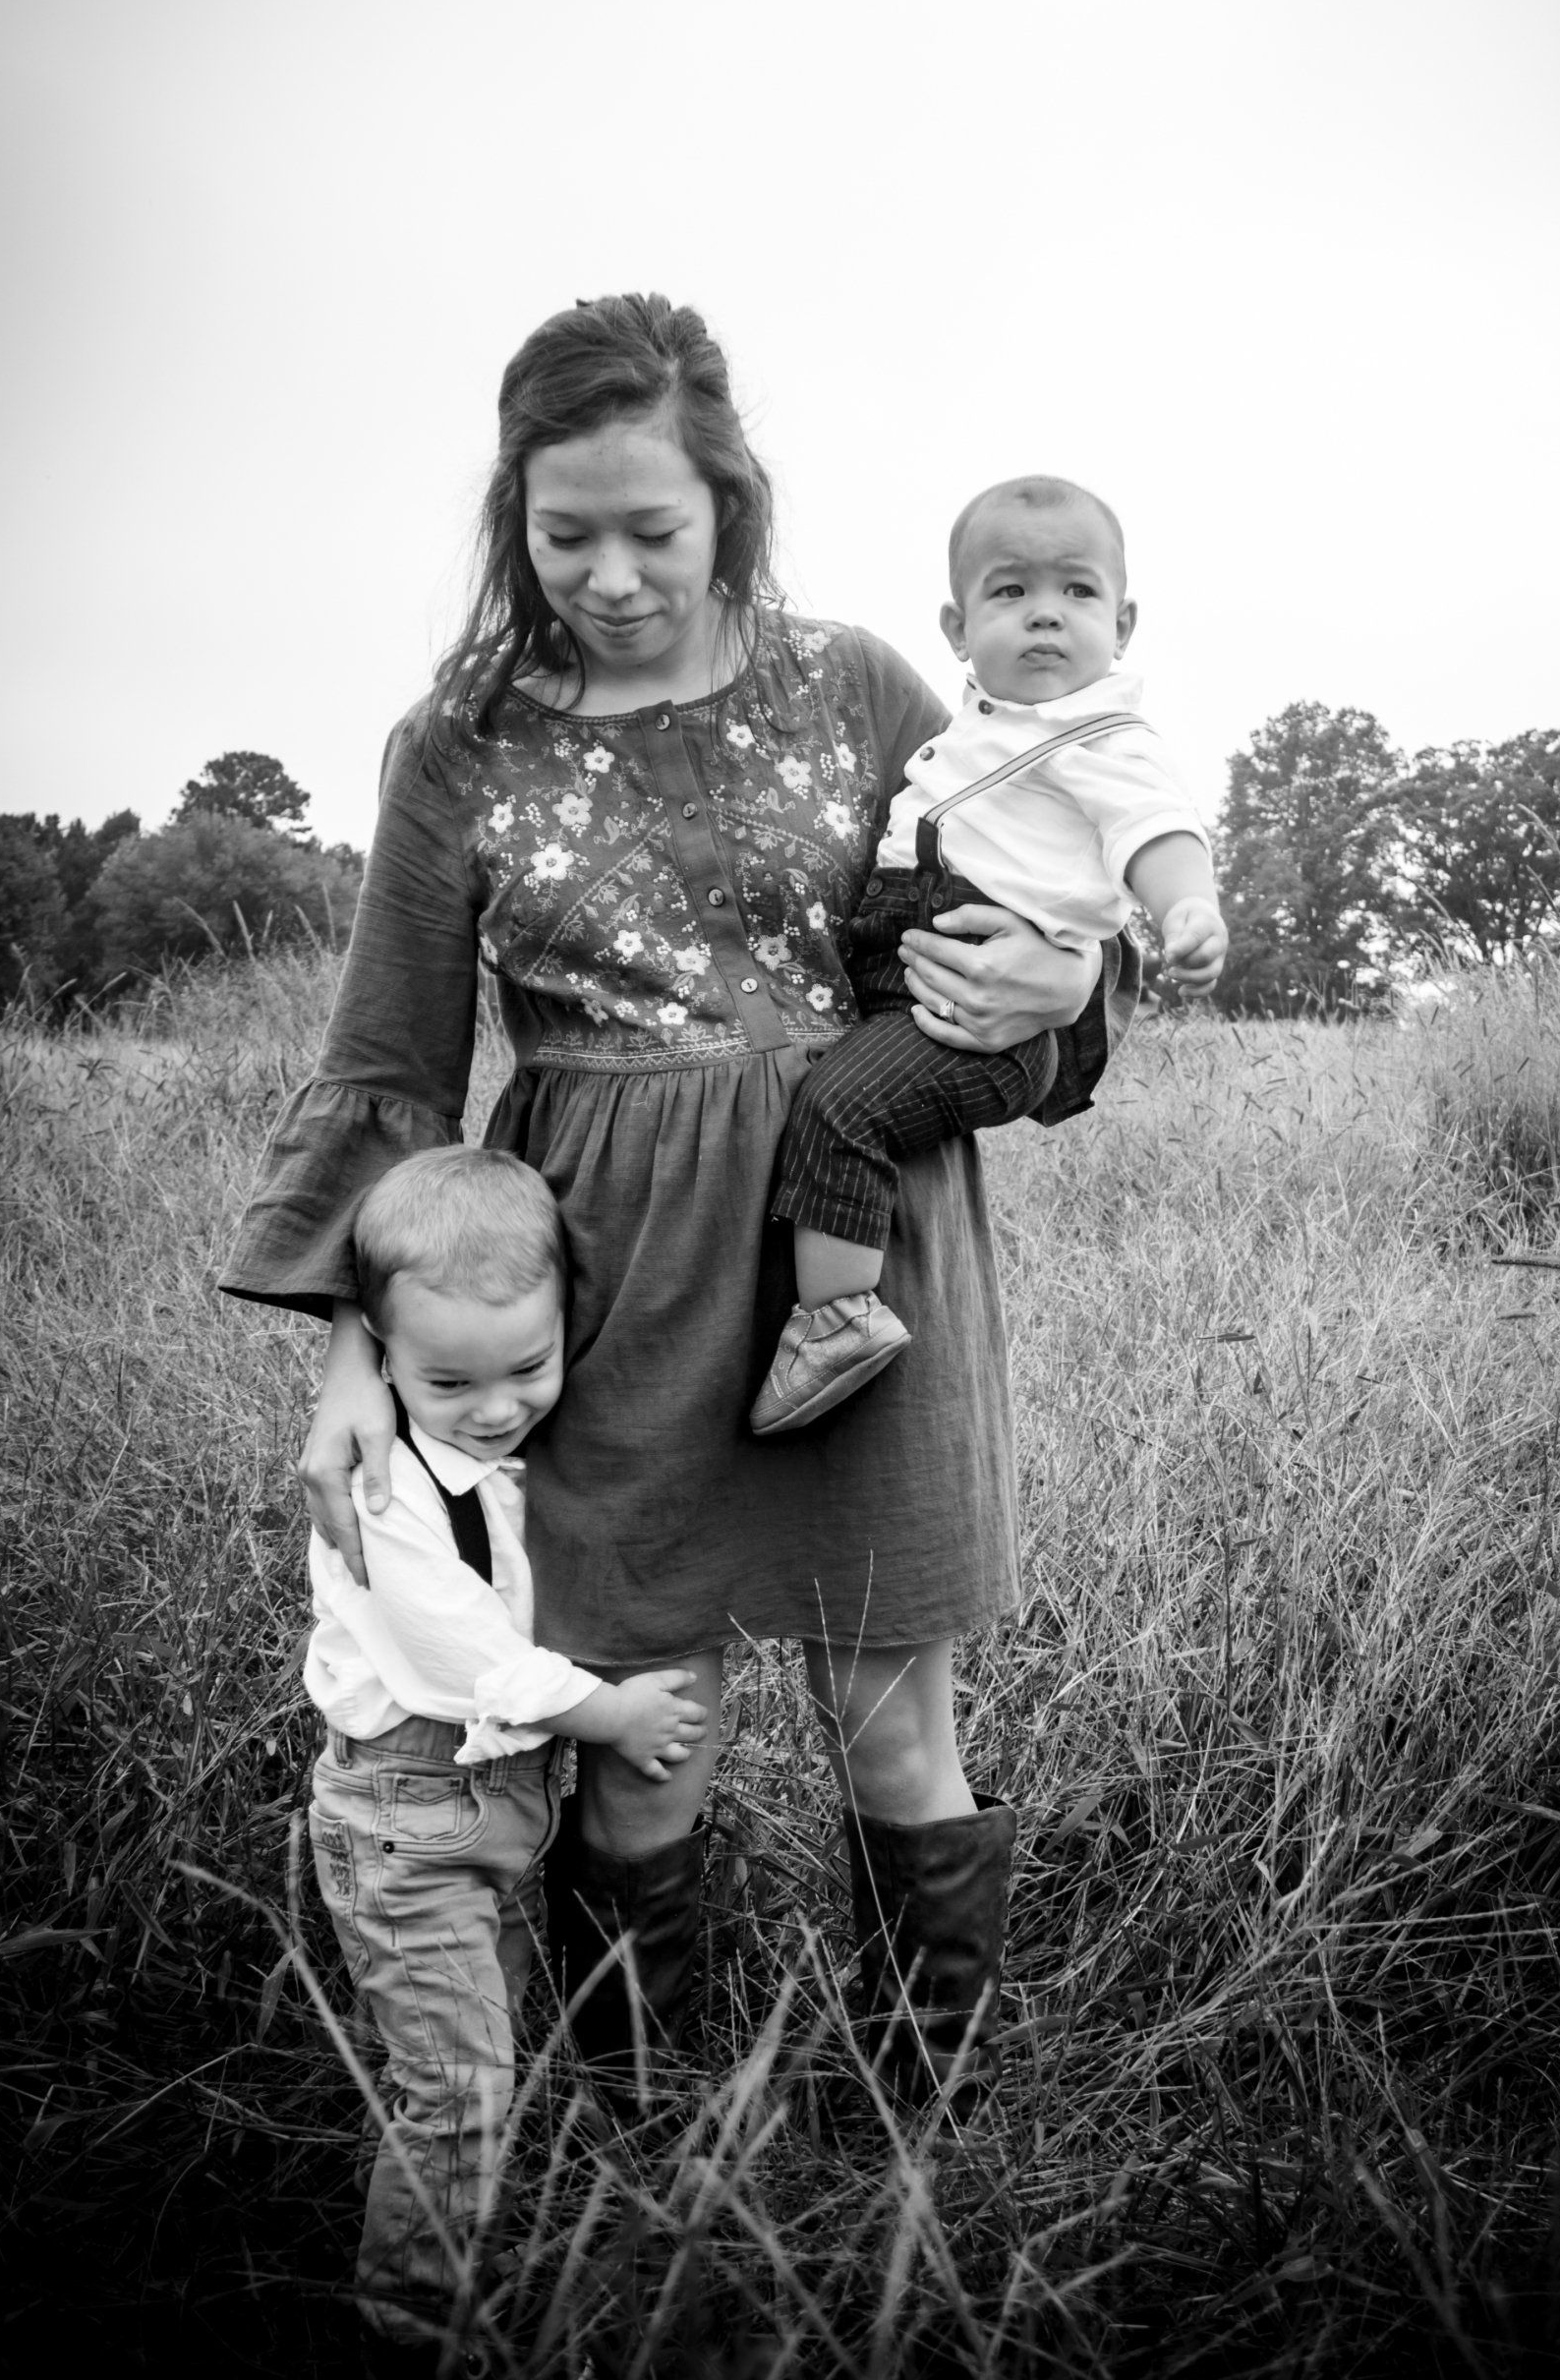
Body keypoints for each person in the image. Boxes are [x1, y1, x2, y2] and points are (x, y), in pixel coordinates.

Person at [221, 291, 1136, 2138]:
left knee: (896, 1721)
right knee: (644, 1744)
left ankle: (905, 2141)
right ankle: (650, 2134)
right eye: (571, 536)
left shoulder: (868, 683)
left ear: (732, 501)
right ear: (515, 517)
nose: (617, 576)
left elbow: (1029, 964)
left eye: (658, 530)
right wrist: (347, 1354)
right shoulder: (455, 744)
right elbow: (394, 1068)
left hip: (859, 1264)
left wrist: (1059, 1003)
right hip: (606, 1286)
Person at [302, 1145, 706, 2367]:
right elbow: (467, 1652)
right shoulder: (383, 1486)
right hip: (408, 1818)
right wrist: (614, 1717)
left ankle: (474, 2260)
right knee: (460, 2092)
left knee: (489, 2055)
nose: (494, 1406)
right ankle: (414, 2329)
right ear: (376, 1345)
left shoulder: (501, 1448)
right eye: (449, 1381)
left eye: (528, 1367)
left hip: (496, 1813)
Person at [750, 474, 1226, 1435]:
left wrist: (1187, 908)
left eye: (1077, 593)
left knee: (840, 1107)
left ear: (1123, 622)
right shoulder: (972, 729)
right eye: (1011, 593)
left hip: (983, 1023)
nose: (1046, 616)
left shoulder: (1105, 737)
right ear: (957, 627)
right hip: (914, 981)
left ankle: (834, 1321)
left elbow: (1154, 830)